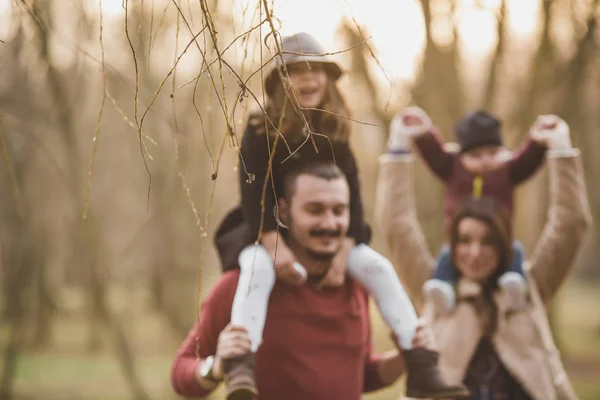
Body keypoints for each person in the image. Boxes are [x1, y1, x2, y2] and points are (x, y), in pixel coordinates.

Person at [212, 32, 467, 399]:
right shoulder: (259, 129)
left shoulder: (335, 130)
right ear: (279, 82)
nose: (309, 78)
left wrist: (346, 250)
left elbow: (354, 199)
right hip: (265, 229)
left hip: (333, 235)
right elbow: (254, 193)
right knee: (257, 269)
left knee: (379, 269)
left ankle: (422, 363)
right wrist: (272, 242)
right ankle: (240, 365)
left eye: (317, 70)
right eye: (297, 71)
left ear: (329, 80)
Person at [171, 162, 453, 400]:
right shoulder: (242, 285)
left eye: (339, 210)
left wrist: (404, 357)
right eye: (315, 210)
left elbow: (361, 374)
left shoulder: (356, 285)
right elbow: (180, 372)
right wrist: (217, 367)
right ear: (283, 211)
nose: (330, 223)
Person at [375, 114, 591, 399]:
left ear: (503, 243)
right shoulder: (434, 289)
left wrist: (561, 150)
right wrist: (399, 147)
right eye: (464, 241)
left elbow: (570, 226)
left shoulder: (531, 287)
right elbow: (396, 225)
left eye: (488, 241)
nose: (474, 253)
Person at [392, 107, 551, 314]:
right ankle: (445, 288)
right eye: (476, 155)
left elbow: (528, 160)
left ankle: (514, 287)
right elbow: (434, 153)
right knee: (447, 255)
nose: (485, 161)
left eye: (493, 153)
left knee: (516, 251)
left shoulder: (507, 172)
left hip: (500, 238)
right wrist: (424, 131)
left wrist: (537, 141)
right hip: (460, 238)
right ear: (461, 155)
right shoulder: (453, 170)